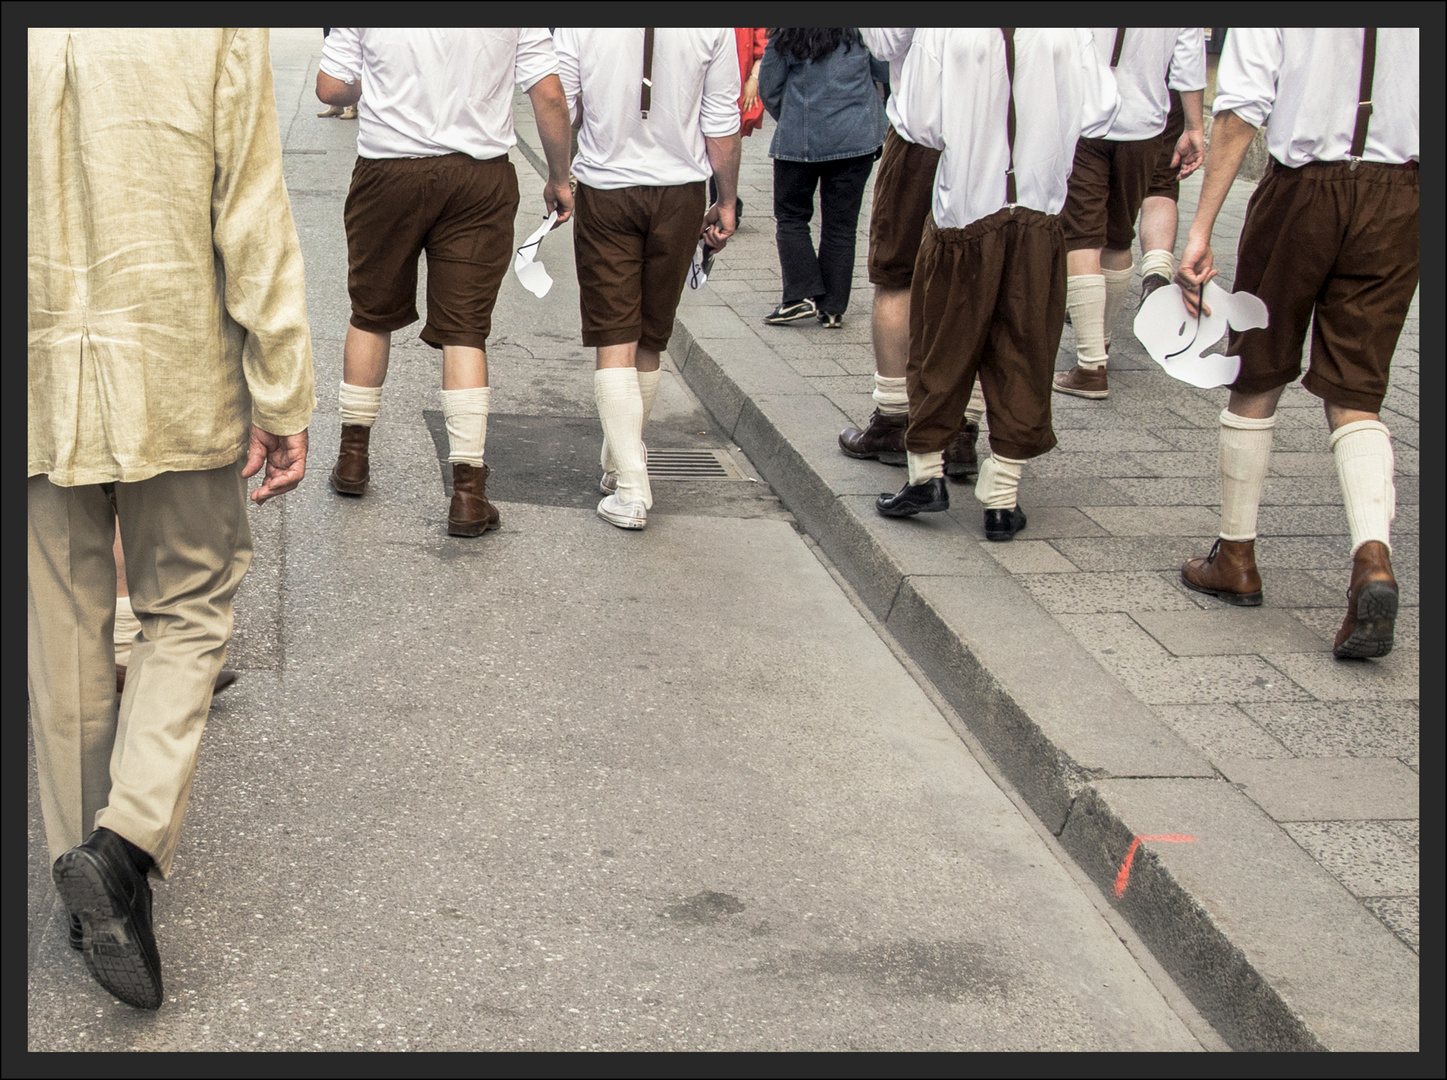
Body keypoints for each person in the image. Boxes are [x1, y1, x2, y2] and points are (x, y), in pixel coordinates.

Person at [28, 28, 315, 1009]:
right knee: (187, 602)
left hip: (33, 361)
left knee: (64, 627)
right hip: (173, 359)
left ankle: (85, 895)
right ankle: (122, 846)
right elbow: (252, 209)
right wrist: (282, 389)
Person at [1175, 28, 1418, 659]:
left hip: (1303, 190)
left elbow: (1240, 110)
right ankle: (1372, 558)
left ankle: (1236, 555)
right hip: (1400, 195)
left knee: (1258, 370)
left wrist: (1200, 229)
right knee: (1357, 389)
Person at [318, 29, 574, 536]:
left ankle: (352, 460)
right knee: (465, 330)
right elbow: (547, 93)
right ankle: (467, 494)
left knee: (371, 312)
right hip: (479, 177)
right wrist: (559, 177)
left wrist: (385, 86)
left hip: (387, 171)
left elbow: (330, 87)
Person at [874, 28, 1119, 540]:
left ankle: (926, 476)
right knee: (1024, 348)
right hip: (1040, 213)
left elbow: (920, 122)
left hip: (965, 211)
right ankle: (1002, 497)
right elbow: (1101, 109)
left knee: (942, 343)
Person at [554, 28, 742, 530]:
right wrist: (726, 199)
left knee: (615, 332)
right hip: (679, 190)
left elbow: (561, 103)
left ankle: (632, 486)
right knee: (650, 334)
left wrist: (557, 172)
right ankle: (620, 464)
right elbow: (721, 119)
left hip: (607, 187)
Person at [842, 28, 980, 482]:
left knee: (897, 275)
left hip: (926, 133)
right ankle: (959, 426)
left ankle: (894, 418)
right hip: (997, 144)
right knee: (975, 285)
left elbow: (885, 43)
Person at [1052, 28, 1205, 400]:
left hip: (1082, 119)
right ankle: (1099, 343)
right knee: (1118, 236)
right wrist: (1196, 126)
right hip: (1145, 122)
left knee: (1083, 235)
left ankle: (1091, 366)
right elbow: (1188, 61)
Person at [759, 28, 889, 329]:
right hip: (855, 138)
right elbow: (885, 70)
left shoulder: (788, 31)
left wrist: (792, 115)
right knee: (841, 226)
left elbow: (769, 87)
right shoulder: (862, 30)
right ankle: (832, 308)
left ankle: (800, 296)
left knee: (791, 217)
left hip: (799, 142)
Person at [1135, 87, 1200, 306]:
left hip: (1100, 81)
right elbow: (1190, 59)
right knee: (1160, 183)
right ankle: (1156, 278)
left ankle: (1089, 287)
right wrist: (1194, 125)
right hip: (1166, 85)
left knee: (1101, 182)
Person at [709, 28, 767, 220]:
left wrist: (754, 79)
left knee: (723, 141)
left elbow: (764, 45)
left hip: (736, 85)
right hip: (705, 82)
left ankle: (721, 201)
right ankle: (722, 201)